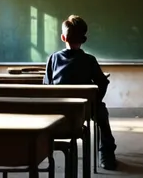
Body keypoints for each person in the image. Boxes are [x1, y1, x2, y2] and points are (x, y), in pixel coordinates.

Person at [43, 15, 118, 170]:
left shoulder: (53, 59)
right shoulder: (89, 60)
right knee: (102, 114)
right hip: (85, 110)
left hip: (59, 110)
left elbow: (46, 86)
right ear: (84, 40)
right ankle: (107, 155)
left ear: (63, 37)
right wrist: (95, 101)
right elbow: (103, 82)